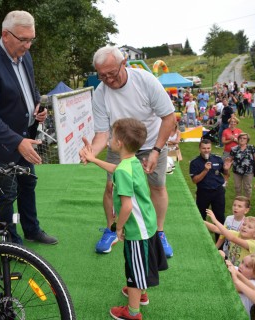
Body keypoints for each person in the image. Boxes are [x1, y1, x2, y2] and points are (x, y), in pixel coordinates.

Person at [79, 46, 175, 258]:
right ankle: (111, 229)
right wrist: (91, 153)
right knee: (110, 186)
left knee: (157, 186)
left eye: (111, 73)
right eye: (101, 75)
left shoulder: (145, 81)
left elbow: (169, 117)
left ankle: (159, 233)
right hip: (120, 145)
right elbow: (102, 134)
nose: (107, 79)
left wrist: (157, 150)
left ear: (124, 64)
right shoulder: (100, 94)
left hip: (152, 142)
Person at [0, 10, 57, 245]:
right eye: (24, 40)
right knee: (6, 193)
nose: (29, 46)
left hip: (24, 137)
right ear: (5, 35)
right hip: (2, 143)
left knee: (28, 182)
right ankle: (10, 242)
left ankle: (32, 229)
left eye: (32, 39)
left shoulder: (23, 54)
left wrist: (38, 105)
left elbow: (30, 87)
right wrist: (17, 142)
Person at [81, 118, 168, 320]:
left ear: (119, 143)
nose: (110, 138)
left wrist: (118, 228)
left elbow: (127, 206)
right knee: (140, 264)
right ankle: (140, 293)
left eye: (112, 136)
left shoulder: (123, 169)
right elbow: (116, 170)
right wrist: (94, 160)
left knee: (134, 268)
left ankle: (133, 312)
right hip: (148, 224)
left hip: (137, 230)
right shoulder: (132, 161)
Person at [189, 139, 231, 236]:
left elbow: (225, 174)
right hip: (203, 192)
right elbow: (194, 180)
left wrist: (226, 169)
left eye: (208, 148)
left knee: (219, 217)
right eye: (204, 148)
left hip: (218, 192)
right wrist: (205, 170)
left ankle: (220, 243)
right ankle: (201, 237)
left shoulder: (217, 159)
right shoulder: (195, 162)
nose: (206, 150)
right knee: (200, 216)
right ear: (200, 148)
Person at [229, 133, 255, 199]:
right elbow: (230, 160)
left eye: (244, 138)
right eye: (240, 138)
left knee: (247, 187)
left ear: (247, 140)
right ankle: (238, 200)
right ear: (238, 139)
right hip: (237, 171)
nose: (242, 139)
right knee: (237, 187)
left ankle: (247, 202)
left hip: (249, 171)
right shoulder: (234, 149)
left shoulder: (251, 147)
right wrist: (227, 169)